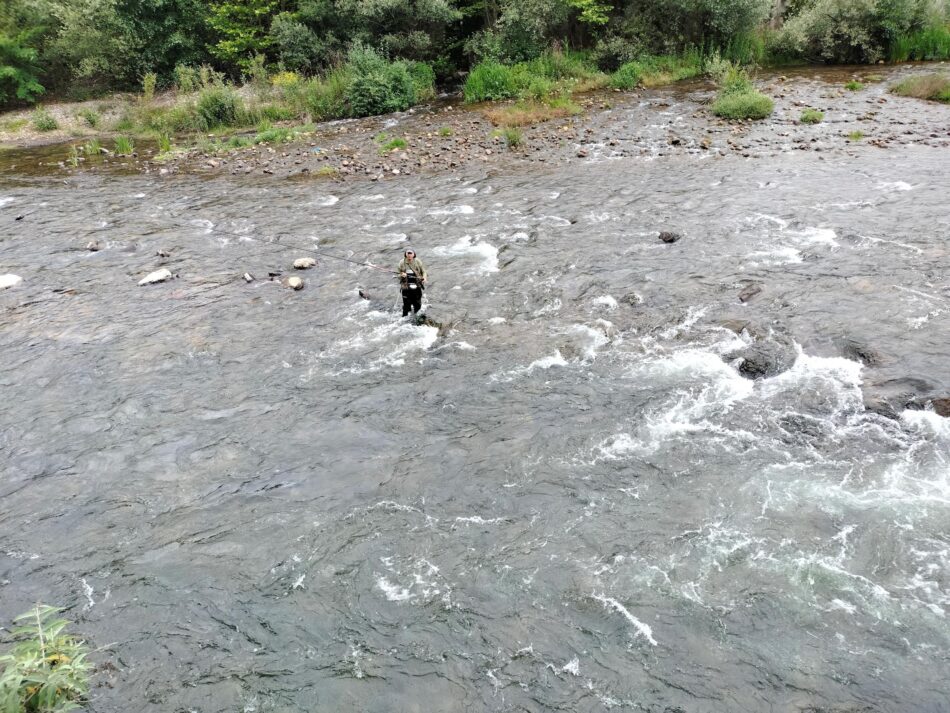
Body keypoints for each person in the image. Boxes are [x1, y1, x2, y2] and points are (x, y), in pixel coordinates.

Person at [397, 248, 428, 317]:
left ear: (414, 255)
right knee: (406, 305)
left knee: (417, 304)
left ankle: (418, 318)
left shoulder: (418, 262)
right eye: (408, 254)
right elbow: (398, 274)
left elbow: (424, 271)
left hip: (417, 285)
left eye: (411, 254)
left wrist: (424, 278)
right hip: (406, 286)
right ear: (405, 254)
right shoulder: (401, 263)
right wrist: (401, 275)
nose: (409, 255)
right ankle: (404, 319)